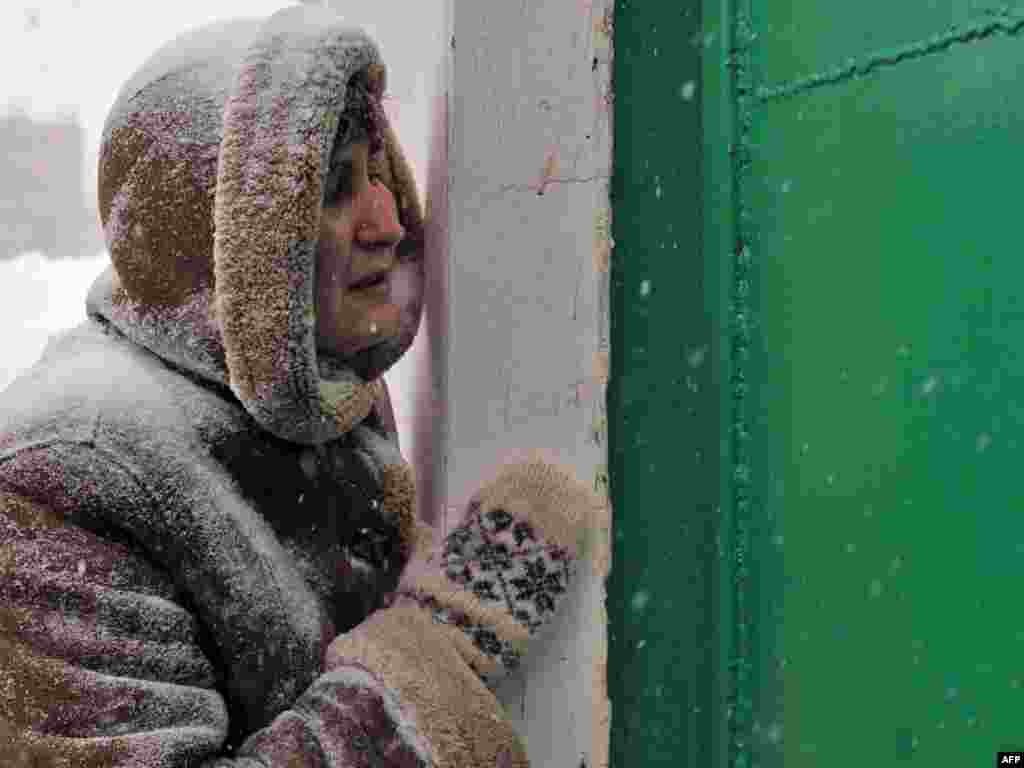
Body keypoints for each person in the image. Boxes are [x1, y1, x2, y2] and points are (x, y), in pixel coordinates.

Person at [0, 5, 598, 767]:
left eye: (377, 173)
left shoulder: (308, 381)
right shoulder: (61, 480)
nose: (386, 221)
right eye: (331, 189)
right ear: (216, 235)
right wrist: (433, 651)